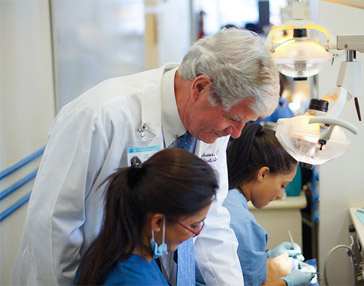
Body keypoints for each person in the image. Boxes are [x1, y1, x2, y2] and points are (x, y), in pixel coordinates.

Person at [11, 28, 280, 286]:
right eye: (234, 118)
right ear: (200, 88)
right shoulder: (98, 116)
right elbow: (52, 230)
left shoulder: (210, 128)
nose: (235, 134)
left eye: (245, 122)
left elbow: (212, 220)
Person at [75, 148, 217, 285]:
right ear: (158, 222)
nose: (196, 233)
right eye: (193, 225)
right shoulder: (133, 280)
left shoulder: (114, 248)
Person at [224, 122, 315, 286]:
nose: (281, 195)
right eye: (282, 185)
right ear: (263, 173)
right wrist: (288, 283)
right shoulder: (241, 221)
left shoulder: (228, 198)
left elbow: (237, 262)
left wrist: (267, 256)